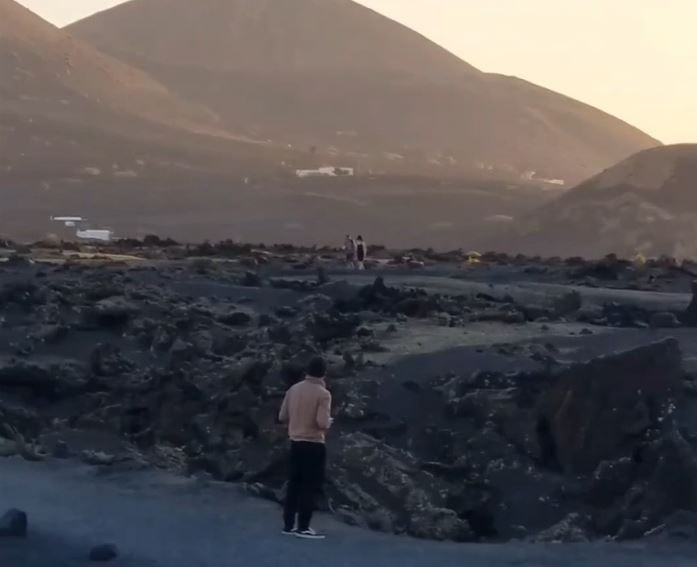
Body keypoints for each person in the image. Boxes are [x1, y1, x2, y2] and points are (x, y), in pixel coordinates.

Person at [278, 357, 333, 539]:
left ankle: (288, 525)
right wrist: (329, 422)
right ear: (324, 373)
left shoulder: (293, 390)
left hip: (295, 442)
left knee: (293, 484)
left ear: (307, 371)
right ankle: (303, 527)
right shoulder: (323, 394)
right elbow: (321, 422)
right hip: (314, 444)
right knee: (310, 486)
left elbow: (282, 416)